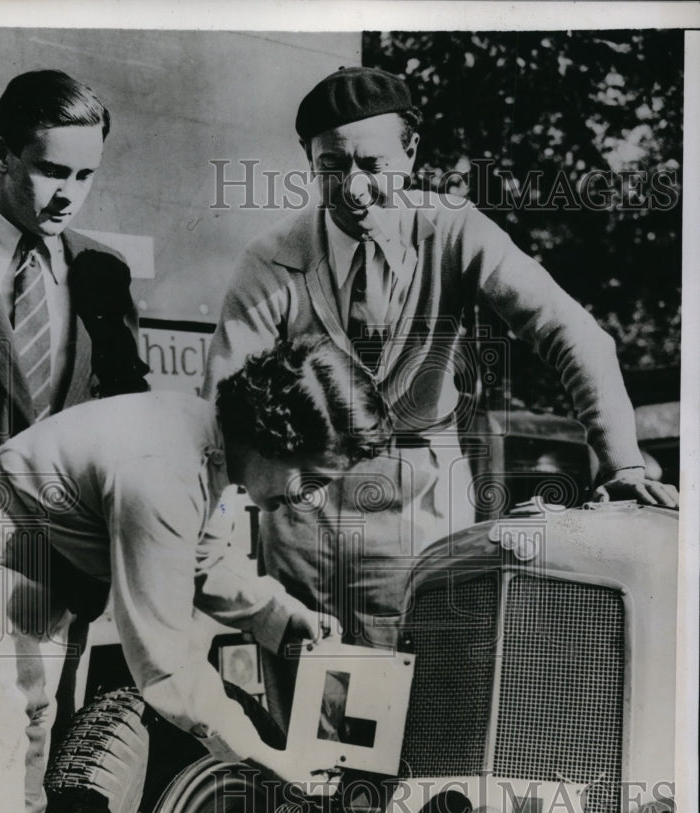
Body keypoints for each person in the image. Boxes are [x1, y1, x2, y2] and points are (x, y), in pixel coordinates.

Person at [203, 65, 679, 648]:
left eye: (373, 166)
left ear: (409, 154)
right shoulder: (271, 257)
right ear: (310, 162)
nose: (353, 189)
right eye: (332, 168)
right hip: (307, 540)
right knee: (309, 717)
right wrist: (213, 545)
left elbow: (571, 331)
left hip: (423, 527)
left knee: (433, 711)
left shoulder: (454, 230)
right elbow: (225, 404)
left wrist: (623, 463)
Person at [0, 339, 387, 813]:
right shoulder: (164, 465)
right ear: (275, 434)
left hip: (20, 600)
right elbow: (164, 663)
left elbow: (207, 560)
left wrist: (283, 619)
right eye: (313, 478)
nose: (310, 498)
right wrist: (267, 755)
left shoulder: (200, 441)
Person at [0, 69, 149, 484]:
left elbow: (126, 409)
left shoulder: (105, 269)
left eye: (85, 175)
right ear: (1, 156)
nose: (69, 197)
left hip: (71, 533)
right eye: (52, 171)